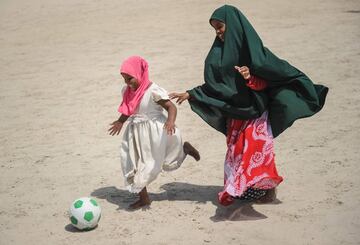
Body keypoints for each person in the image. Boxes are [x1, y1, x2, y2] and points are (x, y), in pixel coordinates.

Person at [170, 5, 328, 206]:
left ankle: (268, 191)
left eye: (220, 27)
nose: (218, 33)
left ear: (233, 26)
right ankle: (242, 190)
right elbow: (215, 86)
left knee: (256, 153)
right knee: (237, 152)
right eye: (215, 29)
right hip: (234, 115)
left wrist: (250, 78)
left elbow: (268, 82)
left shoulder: (257, 54)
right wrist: (191, 94)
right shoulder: (216, 56)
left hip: (256, 114)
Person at [109, 56, 200, 209]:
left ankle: (184, 150)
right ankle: (144, 198)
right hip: (135, 133)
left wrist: (170, 122)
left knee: (150, 164)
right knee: (134, 162)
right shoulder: (127, 91)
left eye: (130, 78)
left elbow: (171, 107)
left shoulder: (152, 91)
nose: (127, 83)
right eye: (124, 79)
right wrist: (120, 121)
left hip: (155, 132)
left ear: (140, 73)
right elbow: (129, 109)